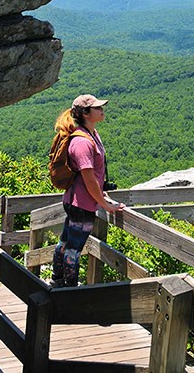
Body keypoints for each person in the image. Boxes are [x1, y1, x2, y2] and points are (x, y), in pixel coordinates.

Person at [51, 94, 125, 288]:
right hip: (82, 204)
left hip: (75, 200)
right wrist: (103, 203)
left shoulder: (91, 134)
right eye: (97, 108)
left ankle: (57, 281)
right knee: (73, 250)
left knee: (66, 242)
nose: (102, 110)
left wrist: (102, 193)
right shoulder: (82, 142)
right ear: (85, 113)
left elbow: (93, 178)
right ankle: (70, 290)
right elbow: (89, 178)